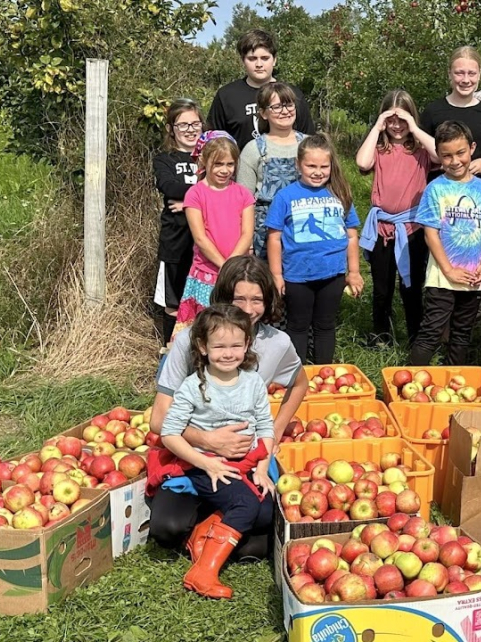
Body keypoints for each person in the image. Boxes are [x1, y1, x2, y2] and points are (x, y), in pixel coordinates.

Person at [148, 256, 307, 564]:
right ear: (223, 297)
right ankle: (212, 526)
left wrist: (271, 433)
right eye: (239, 299)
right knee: (167, 530)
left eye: (257, 299)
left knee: (260, 525)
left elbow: (300, 384)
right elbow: (158, 419)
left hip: (245, 460)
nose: (248, 309)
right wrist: (208, 440)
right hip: (192, 456)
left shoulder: (278, 343)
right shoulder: (192, 339)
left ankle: (214, 527)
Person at [159, 304, 275, 599]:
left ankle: (202, 533)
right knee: (246, 506)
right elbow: (169, 433)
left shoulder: (253, 383)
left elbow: (265, 427)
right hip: (204, 464)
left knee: (264, 513)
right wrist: (206, 464)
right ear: (202, 346)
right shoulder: (193, 387)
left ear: (247, 344)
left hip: (246, 463)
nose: (228, 353)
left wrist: (262, 468)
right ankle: (202, 573)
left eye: (236, 345)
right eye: (219, 346)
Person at [408, 121, 481, 366]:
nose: (455, 161)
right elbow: (430, 234)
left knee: (462, 335)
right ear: (438, 156)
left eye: (460, 153)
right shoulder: (435, 189)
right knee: (431, 331)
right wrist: (449, 270)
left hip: (473, 277)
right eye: (447, 155)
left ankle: (454, 383)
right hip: (442, 277)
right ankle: (406, 388)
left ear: (472, 148)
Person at [267, 135, 363, 364]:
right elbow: (274, 238)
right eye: (311, 166)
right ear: (298, 165)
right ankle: (297, 374)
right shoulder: (285, 196)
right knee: (298, 326)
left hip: (333, 274)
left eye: (324, 166)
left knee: (325, 325)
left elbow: (351, 235)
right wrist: (276, 275)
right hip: (297, 275)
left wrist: (354, 271)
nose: (318, 171)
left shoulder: (340, 194)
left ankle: (323, 373)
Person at [355, 89, 438, 347]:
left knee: (411, 287)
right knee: (381, 288)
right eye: (391, 120)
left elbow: (441, 154)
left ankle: (416, 337)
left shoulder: (421, 150)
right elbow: (361, 162)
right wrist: (377, 126)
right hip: (382, 228)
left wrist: (414, 127)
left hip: (411, 228)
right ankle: (381, 335)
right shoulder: (381, 148)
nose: (396, 126)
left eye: (402, 120)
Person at [172, 131, 255, 339]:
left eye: (229, 164)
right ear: (203, 160)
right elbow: (200, 238)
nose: (224, 170)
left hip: (238, 273)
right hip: (206, 273)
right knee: (205, 329)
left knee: (236, 327)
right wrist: (224, 265)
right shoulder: (196, 194)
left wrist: (233, 265)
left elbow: (247, 233)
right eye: (218, 164)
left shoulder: (243, 194)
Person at [206, 29, 314, 147]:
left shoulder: (292, 94)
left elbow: (308, 142)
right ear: (243, 61)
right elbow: (212, 143)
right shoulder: (226, 96)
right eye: (252, 59)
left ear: (274, 60)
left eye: (265, 58)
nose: (259, 64)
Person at [152, 98, 203, 345]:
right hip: (175, 245)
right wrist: (204, 192)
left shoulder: (211, 156)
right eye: (183, 125)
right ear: (172, 129)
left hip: (207, 246)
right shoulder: (165, 160)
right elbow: (168, 185)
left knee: (205, 303)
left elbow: (225, 187)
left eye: (195, 123)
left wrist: (189, 203)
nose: (190, 130)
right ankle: (170, 357)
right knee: (173, 305)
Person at [236, 83, 307, 259]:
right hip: (265, 233)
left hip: (305, 227)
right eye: (276, 107)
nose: (285, 111)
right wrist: (247, 242)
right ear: (263, 113)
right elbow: (243, 201)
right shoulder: (254, 149)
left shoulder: (309, 145)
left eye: (288, 104)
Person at [420, 46, 481, 178]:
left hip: (477, 191)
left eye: (471, 73)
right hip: (440, 191)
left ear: (479, 74)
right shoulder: (432, 111)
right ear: (449, 74)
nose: (466, 80)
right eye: (459, 73)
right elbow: (419, 155)